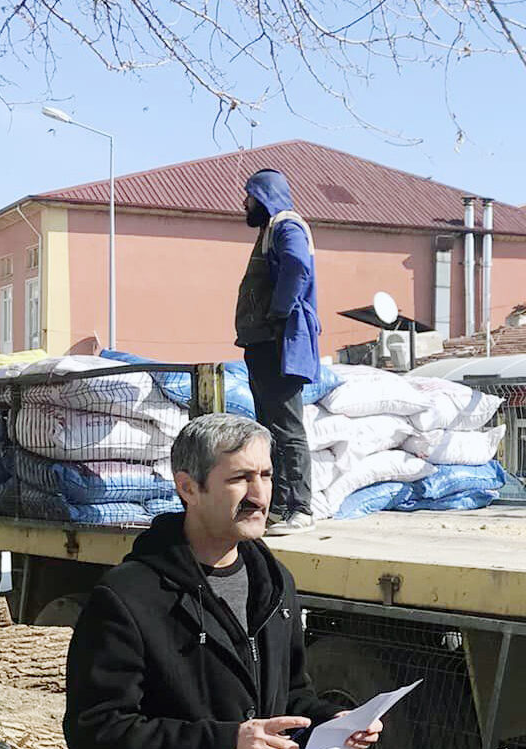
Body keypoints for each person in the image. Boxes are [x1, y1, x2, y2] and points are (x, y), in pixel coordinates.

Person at [64, 414, 384, 749]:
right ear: (188, 488)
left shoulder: (275, 585)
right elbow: (97, 730)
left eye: (266, 475)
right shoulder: (127, 597)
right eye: (240, 479)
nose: (259, 496)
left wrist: (331, 720)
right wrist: (226, 740)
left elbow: (290, 696)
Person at [235, 169, 322, 536]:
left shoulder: (286, 226)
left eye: (250, 196)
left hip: (278, 343)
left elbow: (298, 266)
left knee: (287, 427)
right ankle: (281, 505)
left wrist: (278, 313)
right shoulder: (270, 229)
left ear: (264, 196)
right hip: (263, 343)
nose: (245, 204)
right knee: (270, 428)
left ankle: (301, 507)